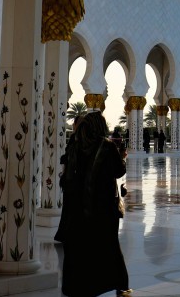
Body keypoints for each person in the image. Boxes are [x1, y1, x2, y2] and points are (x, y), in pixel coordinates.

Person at [61, 111, 131, 297]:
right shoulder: (106, 147)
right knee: (109, 246)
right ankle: (120, 285)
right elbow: (118, 171)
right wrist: (123, 156)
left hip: (77, 208)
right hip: (103, 208)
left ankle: (77, 287)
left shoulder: (75, 146)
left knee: (82, 247)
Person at [54, 115, 84, 244]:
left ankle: (66, 233)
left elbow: (68, 158)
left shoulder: (75, 138)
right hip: (78, 179)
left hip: (72, 179)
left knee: (69, 207)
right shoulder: (85, 140)